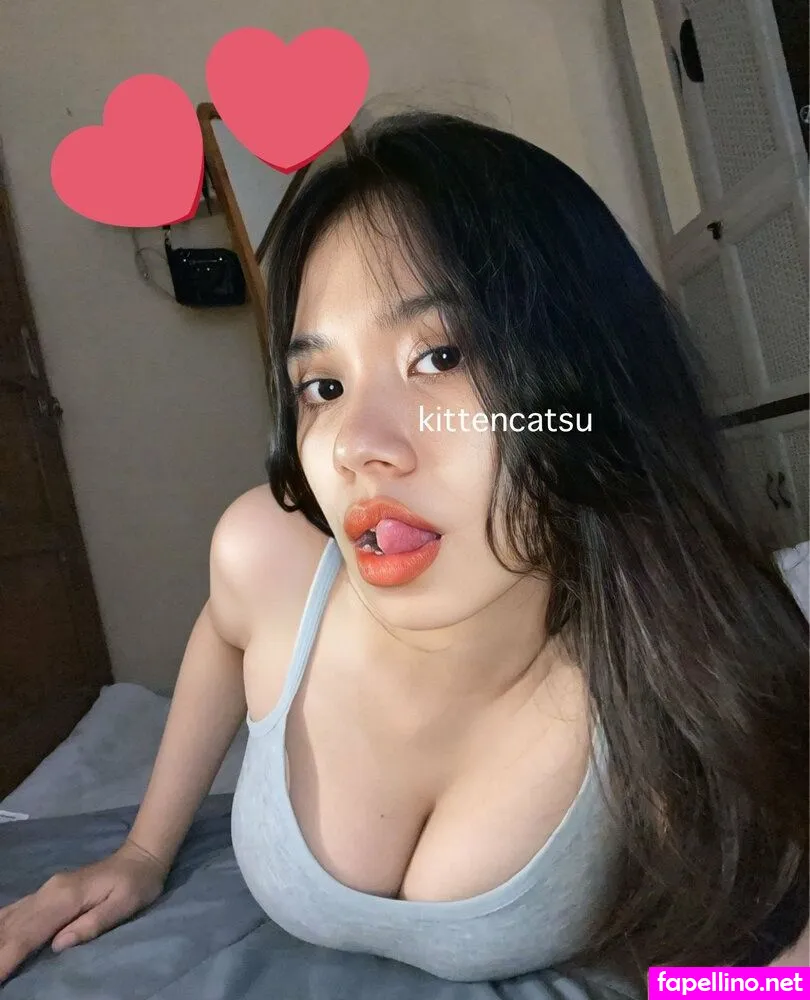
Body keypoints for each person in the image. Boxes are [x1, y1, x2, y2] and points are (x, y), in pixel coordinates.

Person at [0, 110, 807, 991]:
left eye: (441, 356)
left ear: (588, 385)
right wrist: (144, 851)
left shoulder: (673, 678)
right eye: (323, 386)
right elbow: (226, 633)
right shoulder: (265, 555)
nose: (357, 445)